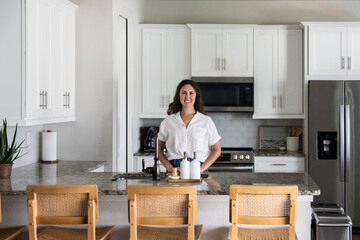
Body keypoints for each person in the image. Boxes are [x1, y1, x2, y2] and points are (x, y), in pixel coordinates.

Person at [157, 79, 221, 173]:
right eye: (184, 93)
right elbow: (159, 149)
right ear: (179, 96)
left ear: (196, 96)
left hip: (198, 169)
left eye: (191, 93)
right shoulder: (168, 121)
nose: (187, 96)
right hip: (175, 170)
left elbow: (217, 150)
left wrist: (201, 168)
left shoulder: (206, 121)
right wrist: (170, 168)